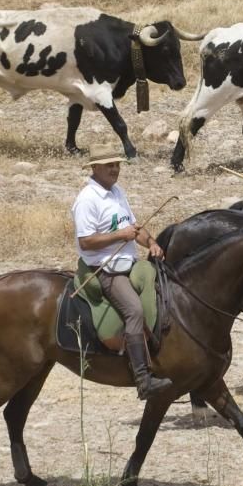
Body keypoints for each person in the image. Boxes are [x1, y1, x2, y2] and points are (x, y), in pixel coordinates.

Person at [72, 145, 172, 402]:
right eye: (109, 166)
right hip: (105, 270)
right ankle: (143, 379)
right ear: (95, 169)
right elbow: (86, 242)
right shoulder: (87, 199)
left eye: (117, 165)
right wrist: (121, 235)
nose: (115, 169)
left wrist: (151, 243)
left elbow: (134, 228)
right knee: (134, 310)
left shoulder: (117, 192)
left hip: (130, 263)